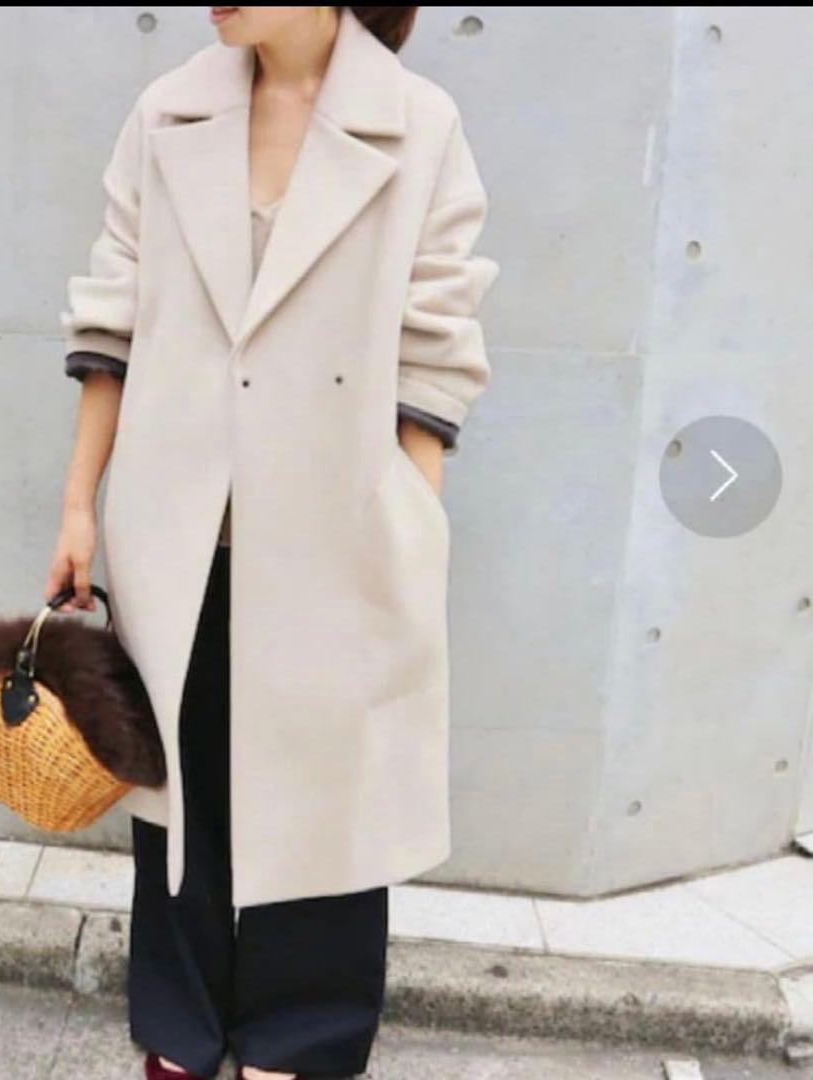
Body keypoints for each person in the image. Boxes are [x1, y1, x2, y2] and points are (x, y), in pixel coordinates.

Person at [45, 7, 500, 1079]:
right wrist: (78, 505)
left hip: (340, 531)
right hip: (176, 525)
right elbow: (112, 316)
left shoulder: (418, 123)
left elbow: (436, 347)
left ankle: (300, 1039)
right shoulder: (169, 111)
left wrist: (408, 525)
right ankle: (181, 1029)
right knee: (178, 784)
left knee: (331, 792)